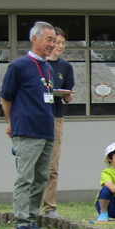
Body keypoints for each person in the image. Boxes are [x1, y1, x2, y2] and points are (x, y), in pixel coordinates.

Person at [0, 21, 57, 229]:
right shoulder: (19, 65)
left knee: (41, 178)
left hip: (47, 131)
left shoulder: (48, 67)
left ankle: (32, 220)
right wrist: (11, 122)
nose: (52, 44)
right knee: (25, 178)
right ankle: (21, 225)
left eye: (55, 40)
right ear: (35, 39)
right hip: (26, 131)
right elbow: (6, 97)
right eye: (49, 39)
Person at [41, 26, 75, 218]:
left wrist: (67, 96)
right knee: (34, 164)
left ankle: (49, 207)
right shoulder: (36, 64)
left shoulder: (65, 67)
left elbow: (68, 95)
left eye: (63, 42)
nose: (59, 46)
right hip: (36, 116)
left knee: (52, 166)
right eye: (56, 42)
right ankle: (27, 208)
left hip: (56, 116)